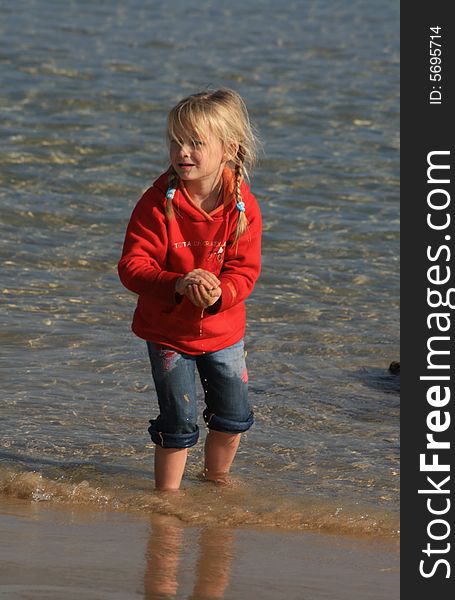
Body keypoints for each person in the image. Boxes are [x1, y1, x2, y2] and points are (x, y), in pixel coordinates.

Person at [118, 89, 262, 491]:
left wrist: (220, 293)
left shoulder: (242, 207)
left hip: (223, 332)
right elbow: (132, 267)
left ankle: (217, 479)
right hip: (168, 333)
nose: (182, 151)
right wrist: (178, 284)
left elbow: (245, 271)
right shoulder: (155, 203)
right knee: (177, 422)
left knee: (233, 416)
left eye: (196, 142)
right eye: (176, 141)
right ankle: (168, 499)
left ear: (228, 149)